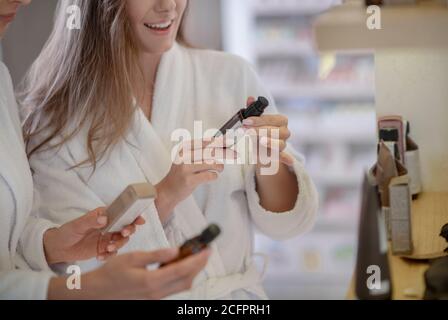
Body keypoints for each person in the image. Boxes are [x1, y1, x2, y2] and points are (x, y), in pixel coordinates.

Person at [23, 0, 319, 299]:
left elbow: (288, 225)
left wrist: (269, 160)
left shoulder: (231, 75)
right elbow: (71, 265)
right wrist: (165, 195)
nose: (168, 6)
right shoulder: (58, 118)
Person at [0, 0, 210, 300]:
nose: (167, 6)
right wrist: (79, 289)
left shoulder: (1, 81)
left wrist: (48, 244)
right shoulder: (58, 122)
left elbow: (10, 239)